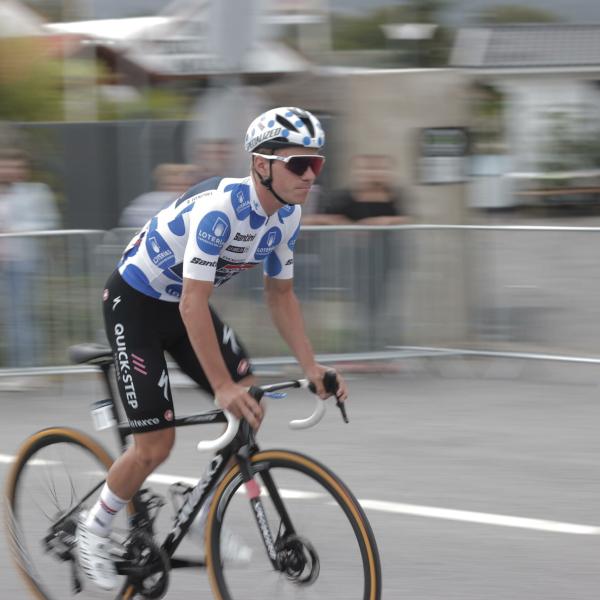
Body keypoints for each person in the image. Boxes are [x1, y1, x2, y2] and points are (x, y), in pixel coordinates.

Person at [76, 106, 348, 590]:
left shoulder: (286, 216)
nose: (310, 175)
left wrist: (311, 366)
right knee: (156, 444)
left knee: (249, 402)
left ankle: (199, 506)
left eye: (317, 164)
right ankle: (92, 529)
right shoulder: (220, 210)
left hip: (182, 304)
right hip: (136, 301)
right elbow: (193, 302)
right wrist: (218, 385)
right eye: (298, 164)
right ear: (262, 164)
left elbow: (280, 294)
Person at [0, 147, 60, 370]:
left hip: (21, 262)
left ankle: (27, 367)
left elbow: (47, 222)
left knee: (20, 316)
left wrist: (15, 229)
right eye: (5, 166)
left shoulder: (36, 192)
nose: (9, 171)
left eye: (15, 166)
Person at [119, 163, 199, 228]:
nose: (177, 180)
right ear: (160, 183)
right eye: (171, 184)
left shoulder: (200, 200)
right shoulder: (145, 203)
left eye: (182, 184)